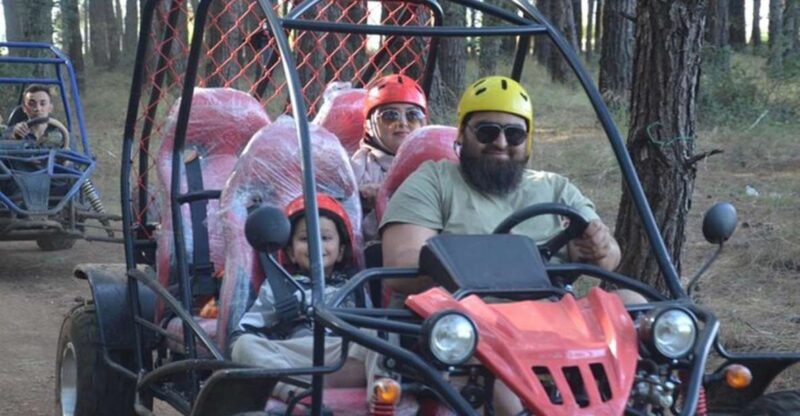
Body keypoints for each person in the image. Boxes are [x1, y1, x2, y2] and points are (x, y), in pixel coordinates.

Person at [379, 76, 626, 414]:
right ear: (462, 135)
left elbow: (608, 257)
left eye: (514, 134)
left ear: (528, 141)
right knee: (504, 384)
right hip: (463, 327)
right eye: (486, 131)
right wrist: (502, 260)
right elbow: (402, 266)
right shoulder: (433, 181)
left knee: (636, 307)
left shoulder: (554, 188)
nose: (500, 142)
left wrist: (601, 247)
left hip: (550, 321)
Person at [230, 194, 373, 401]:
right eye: (305, 239)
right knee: (244, 346)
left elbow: (368, 330)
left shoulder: (355, 286)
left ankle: (381, 397)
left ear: (341, 251)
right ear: (290, 252)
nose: (316, 245)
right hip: (296, 356)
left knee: (383, 332)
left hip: (340, 353)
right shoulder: (278, 286)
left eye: (325, 238)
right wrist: (271, 348)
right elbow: (245, 331)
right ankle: (298, 392)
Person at [351, 74, 427, 241]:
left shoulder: (433, 163)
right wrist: (361, 197)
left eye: (413, 115)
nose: (403, 123)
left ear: (424, 124)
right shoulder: (359, 166)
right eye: (390, 115)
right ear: (369, 126)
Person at [8, 84, 67, 148]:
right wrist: (14, 137)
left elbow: (72, 154)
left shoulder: (62, 133)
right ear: (24, 108)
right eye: (32, 104)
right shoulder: (14, 131)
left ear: (50, 108)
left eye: (42, 104)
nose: (38, 108)